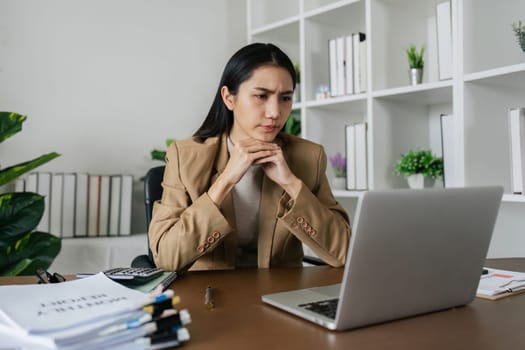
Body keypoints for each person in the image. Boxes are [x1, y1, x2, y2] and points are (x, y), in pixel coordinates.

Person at [148, 43, 351, 271]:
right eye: (261, 96)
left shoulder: (309, 157)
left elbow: (344, 252)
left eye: (285, 98)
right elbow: (166, 258)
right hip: (210, 296)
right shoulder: (184, 157)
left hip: (280, 296)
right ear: (229, 98)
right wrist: (226, 181)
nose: (274, 112)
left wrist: (292, 184)